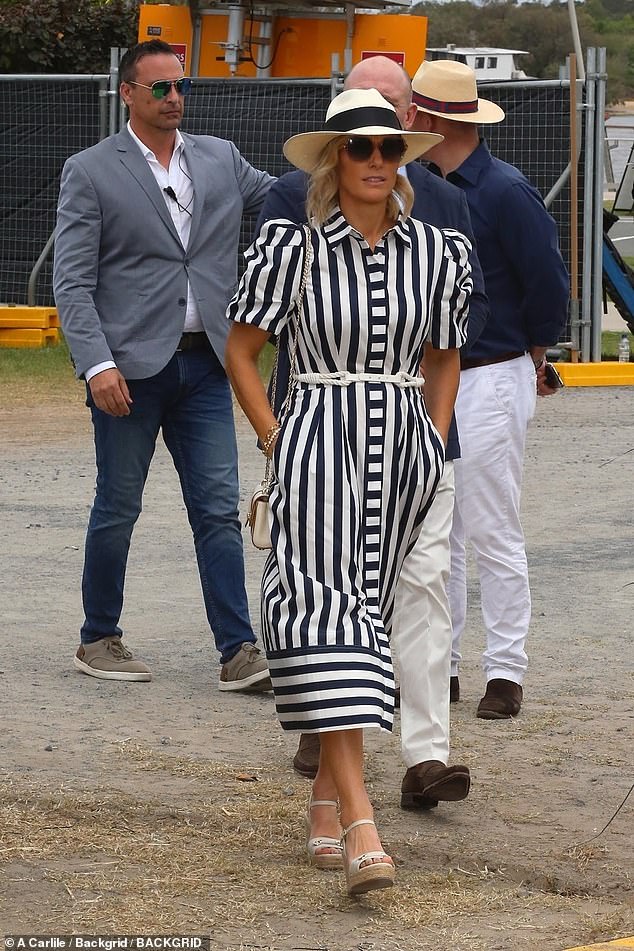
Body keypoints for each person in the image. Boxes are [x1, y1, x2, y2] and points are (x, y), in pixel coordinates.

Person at [225, 87, 472, 893]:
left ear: (404, 159)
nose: (375, 161)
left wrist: (432, 444)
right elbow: (241, 350)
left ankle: (326, 803)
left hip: (403, 454)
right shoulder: (288, 248)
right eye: (359, 147)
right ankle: (363, 817)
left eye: (389, 148)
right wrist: (275, 436)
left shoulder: (438, 252)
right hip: (315, 442)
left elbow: (443, 356)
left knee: (370, 624)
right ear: (334, 160)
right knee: (323, 613)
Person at [53, 40, 275, 691]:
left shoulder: (220, 158)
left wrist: (345, 166)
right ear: (128, 93)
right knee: (119, 505)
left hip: (207, 365)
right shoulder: (91, 170)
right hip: (129, 372)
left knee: (215, 507)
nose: (174, 97)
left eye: (180, 87)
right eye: (160, 88)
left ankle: (238, 649)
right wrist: (96, 364)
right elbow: (71, 281)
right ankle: (99, 636)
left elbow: (281, 199)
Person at [411, 59, 569, 718]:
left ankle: (505, 669)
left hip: (490, 371)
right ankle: (441, 664)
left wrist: (527, 358)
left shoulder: (504, 191)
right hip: (434, 374)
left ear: (429, 118)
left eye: (412, 112)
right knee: (435, 530)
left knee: (491, 527)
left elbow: (549, 288)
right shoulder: (416, 185)